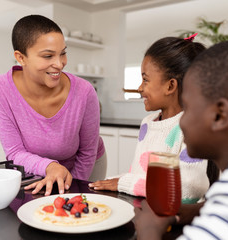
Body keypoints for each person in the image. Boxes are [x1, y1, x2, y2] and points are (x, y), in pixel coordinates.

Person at [134, 37, 228, 239]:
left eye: (188, 108)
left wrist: (149, 231)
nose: (181, 121)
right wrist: (197, 209)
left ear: (219, 115)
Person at [0, 14, 105, 196]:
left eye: (63, 53)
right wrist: (50, 166)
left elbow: (87, 153)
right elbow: (14, 152)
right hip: (35, 169)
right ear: (21, 58)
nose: (59, 64)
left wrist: (69, 191)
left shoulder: (84, 91)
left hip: (84, 166)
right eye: (48, 55)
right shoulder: (0, 88)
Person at [89, 36, 214, 207]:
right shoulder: (148, 123)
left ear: (170, 86)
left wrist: (123, 182)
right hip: (146, 209)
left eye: (145, 80)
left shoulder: (191, 128)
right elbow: (141, 175)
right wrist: (115, 181)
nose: (140, 88)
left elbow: (189, 188)